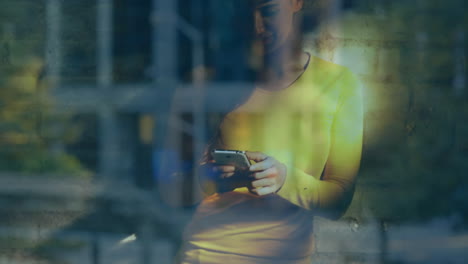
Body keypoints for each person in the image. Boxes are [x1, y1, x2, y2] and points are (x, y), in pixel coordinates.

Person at [177, 0, 363, 263]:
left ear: (296, 3)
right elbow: (169, 190)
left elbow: (338, 202)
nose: (257, 26)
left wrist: (284, 180)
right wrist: (212, 179)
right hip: (205, 254)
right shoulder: (207, 80)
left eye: (268, 11)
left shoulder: (338, 84)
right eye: (245, 12)